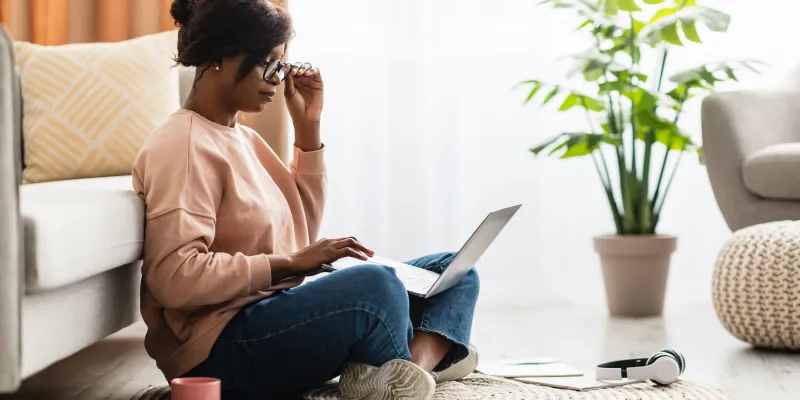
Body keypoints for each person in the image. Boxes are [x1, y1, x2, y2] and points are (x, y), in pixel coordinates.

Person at [132, 1, 480, 399]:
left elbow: (301, 230)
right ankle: (431, 353)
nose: (277, 79)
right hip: (219, 349)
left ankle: (410, 371)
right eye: (268, 63)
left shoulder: (243, 138)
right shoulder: (184, 145)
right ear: (218, 56)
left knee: (453, 271)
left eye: (280, 66)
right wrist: (291, 263)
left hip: (273, 311)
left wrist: (308, 126)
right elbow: (175, 279)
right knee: (376, 285)